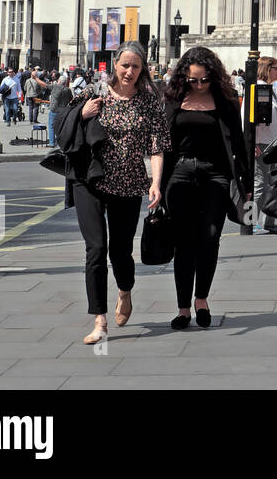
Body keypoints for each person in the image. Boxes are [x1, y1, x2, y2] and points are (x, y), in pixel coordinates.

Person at [64, 41, 171, 345]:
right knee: (96, 249)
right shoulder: (94, 93)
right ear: (115, 65)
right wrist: (83, 114)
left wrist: (155, 182)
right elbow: (63, 125)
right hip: (91, 181)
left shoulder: (150, 102)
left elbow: (157, 146)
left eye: (135, 66)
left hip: (129, 182)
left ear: (143, 69)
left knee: (120, 252)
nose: (129, 71)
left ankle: (124, 291)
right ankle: (99, 321)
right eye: (125, 65)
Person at [161, 46, 251, 330]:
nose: (199, 85)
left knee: (210, 237)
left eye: (204, 80)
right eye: (193, 80)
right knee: (184, 242)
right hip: (180, 173)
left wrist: (245, 183)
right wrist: (155, 183)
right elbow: (161, 142)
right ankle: (183, 308)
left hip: (216, 173)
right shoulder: (173, 98)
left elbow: (238, 142)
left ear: (213, 76)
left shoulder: (225, 99)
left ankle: (202, 298)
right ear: (184, 77)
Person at [247, 56, 277, 235]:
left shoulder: (271, 89)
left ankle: (269, 222)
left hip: (274, 143)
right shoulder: (257, 88)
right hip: (262, 143)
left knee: (274, 183)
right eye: (275, 67)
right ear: (267, 68)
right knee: (259, 183)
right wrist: (254, 142)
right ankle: (250, 222)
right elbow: (250, 117)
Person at [47, 72, 71, 148]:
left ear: (59, 81)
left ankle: (52, 142)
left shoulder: (55, 87)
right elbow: (71, 99)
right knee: (60, 127)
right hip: (63, 111)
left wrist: (36, 78)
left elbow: (45, 86)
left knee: (51, 126)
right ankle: (59, 142)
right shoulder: (68, 90)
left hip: (54, 109)